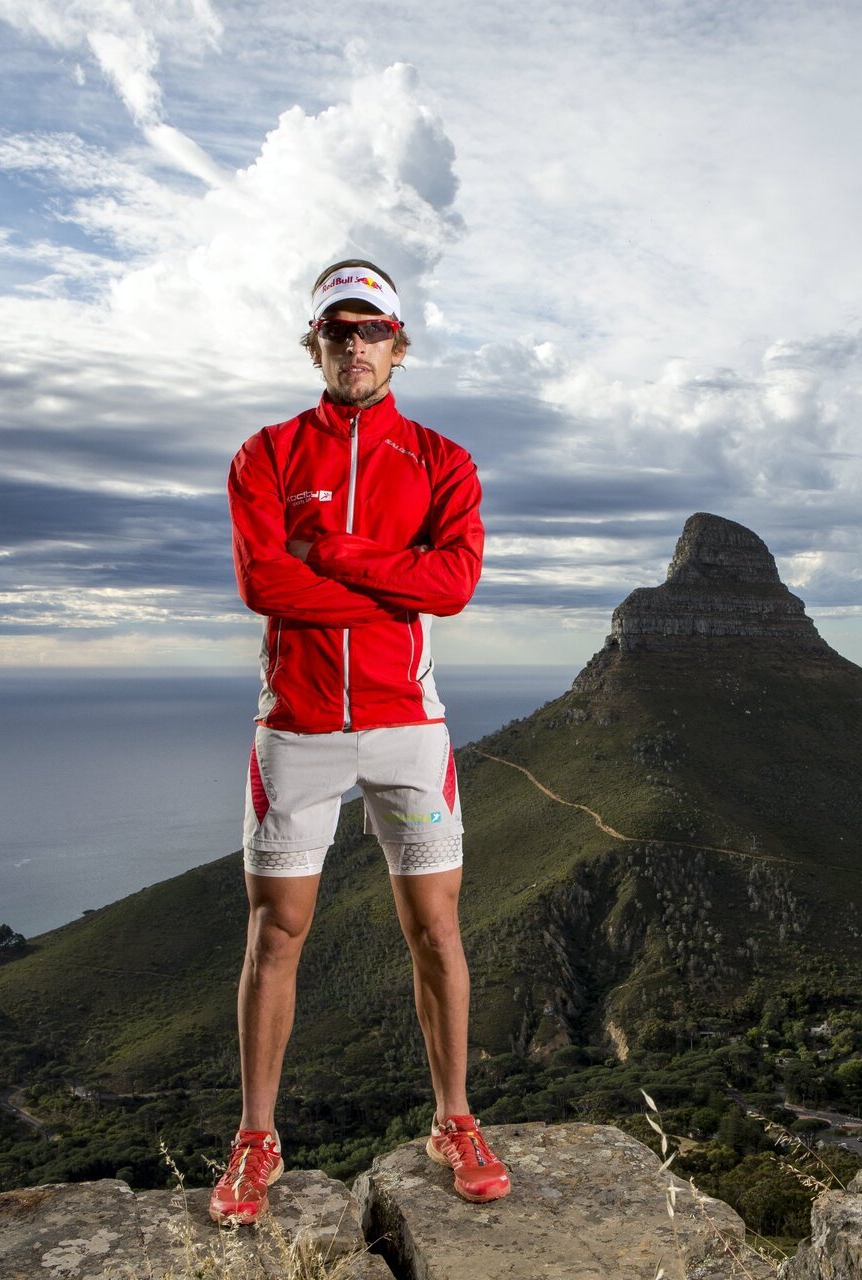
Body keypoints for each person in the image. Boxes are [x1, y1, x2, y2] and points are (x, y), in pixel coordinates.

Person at [209, 259, 508, 1226]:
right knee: (276, 932)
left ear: (398, 344)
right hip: (297, 728)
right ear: (316, 344)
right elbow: (263, 583)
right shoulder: (265, 454)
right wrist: (393, 585)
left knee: (437, 930)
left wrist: (332, 553)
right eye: (337, 331)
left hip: (406, 728)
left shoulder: (442, 460)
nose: (354, 346)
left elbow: (452, 585)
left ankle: (455, 1120)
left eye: (371, 330)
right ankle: (256, 1139)